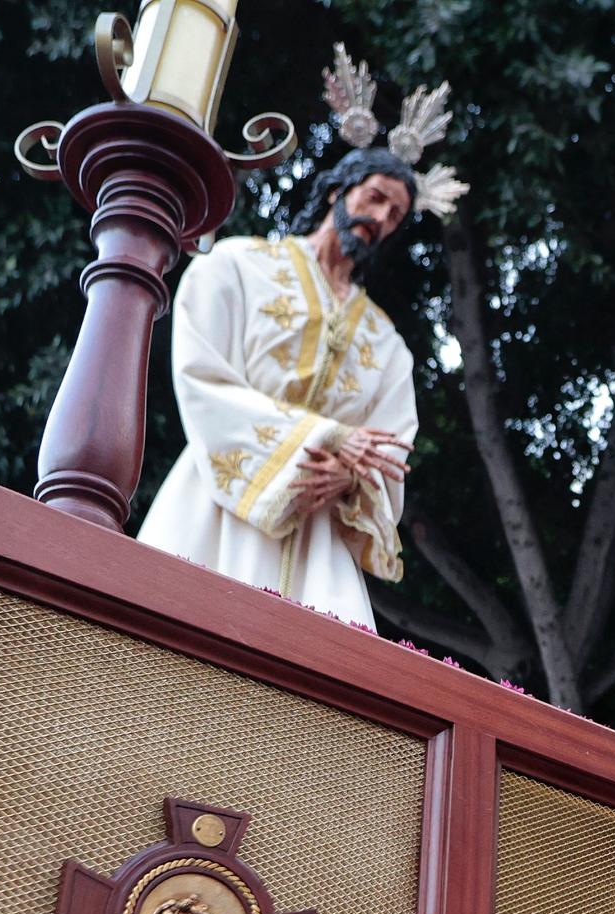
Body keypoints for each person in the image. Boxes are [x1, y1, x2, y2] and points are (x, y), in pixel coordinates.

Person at [137, 47, 465, 630]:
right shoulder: (237, 267)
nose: (383, 218)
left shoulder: (387, 346)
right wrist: (331, 436)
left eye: (396, 215)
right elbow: (202, 377)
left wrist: (354, 480)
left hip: (320, 534)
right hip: (220, 497)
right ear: (341, 191)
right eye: (376, 199)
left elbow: (390, 452)